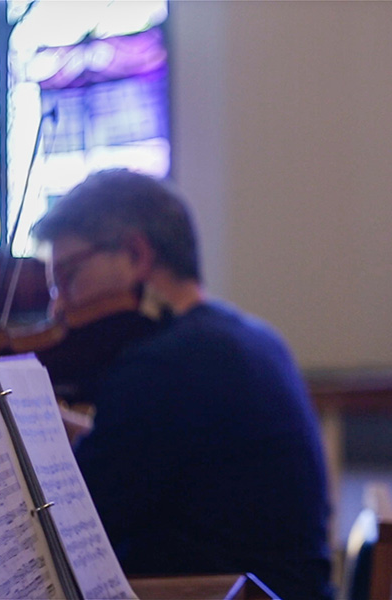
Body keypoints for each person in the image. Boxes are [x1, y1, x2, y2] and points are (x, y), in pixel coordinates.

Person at [32, 169, 333, 600]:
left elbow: (71, 526)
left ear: (136, 255)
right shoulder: (242, 337)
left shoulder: (164, 367)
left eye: (68, 276)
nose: (59, 304)